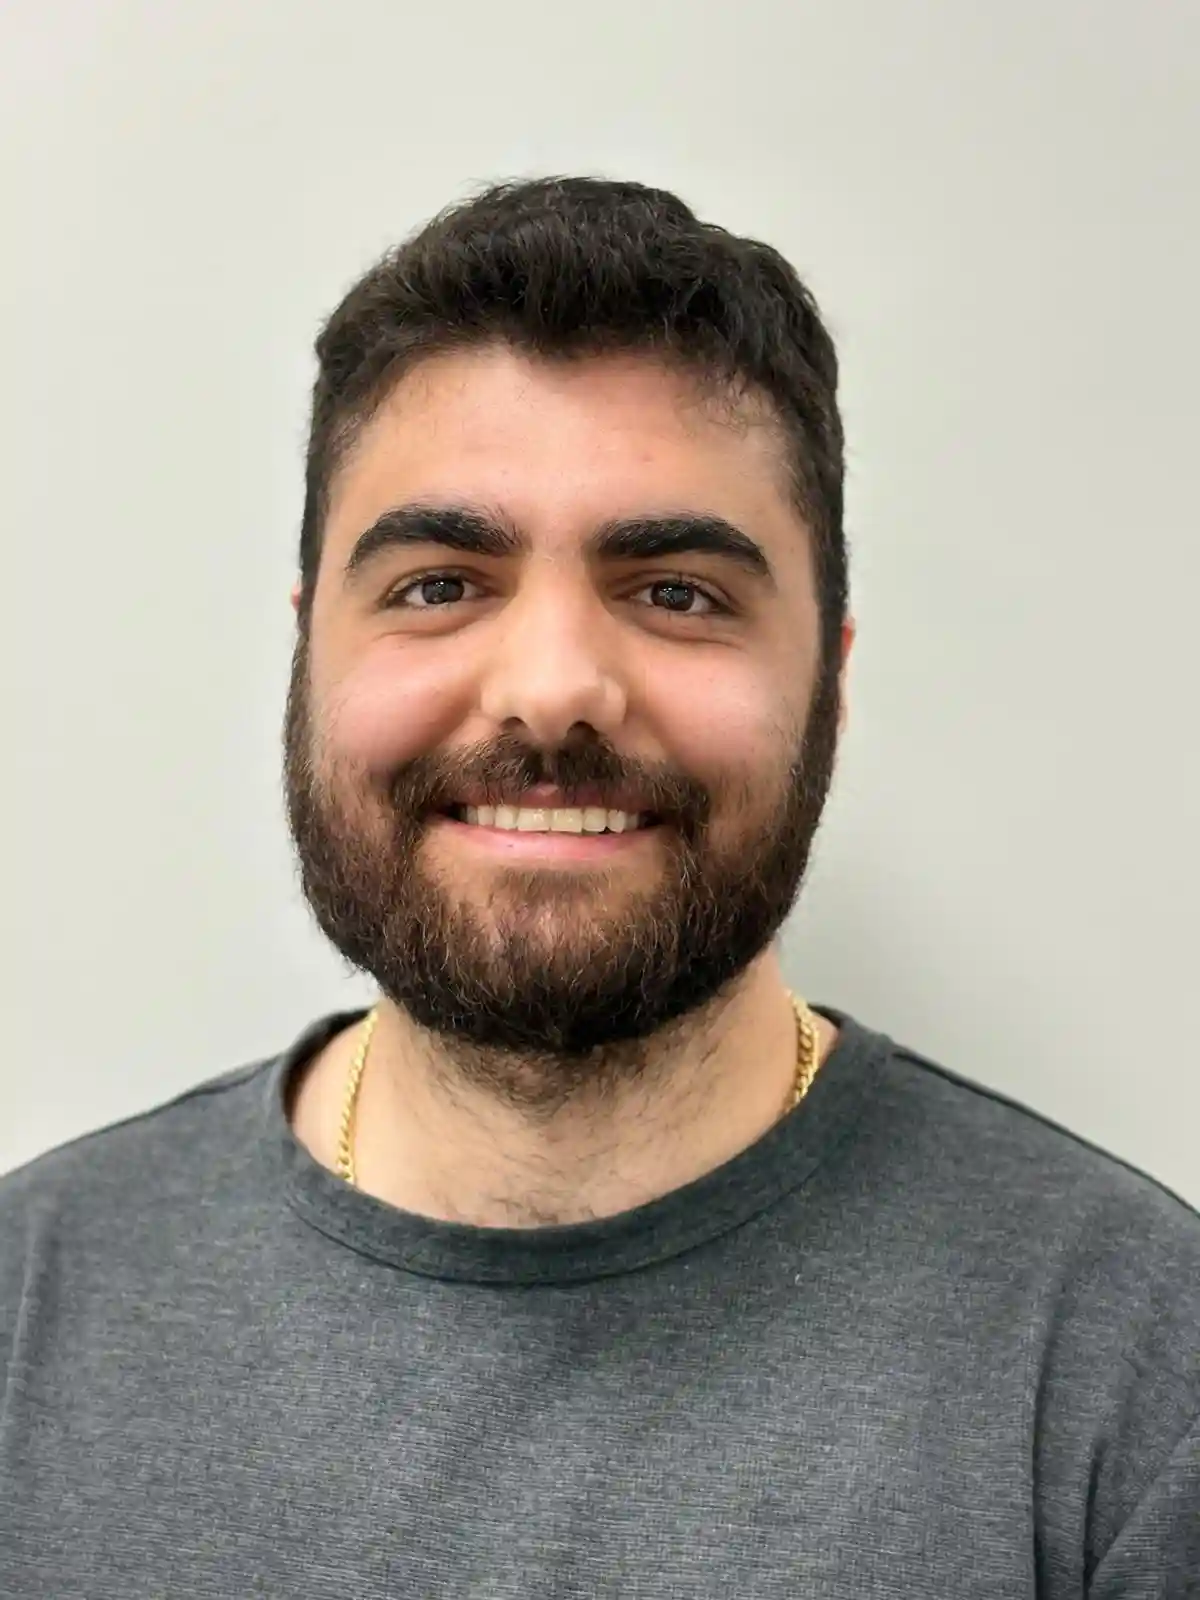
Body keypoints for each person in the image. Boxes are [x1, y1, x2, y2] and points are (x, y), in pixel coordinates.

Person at [1, 176, 1196, 1599]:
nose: (555, 690)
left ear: (833, 678)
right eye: (441, 584)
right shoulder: (28, 1306)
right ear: (311, 653)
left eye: (677, 590)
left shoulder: (1135, 1366)